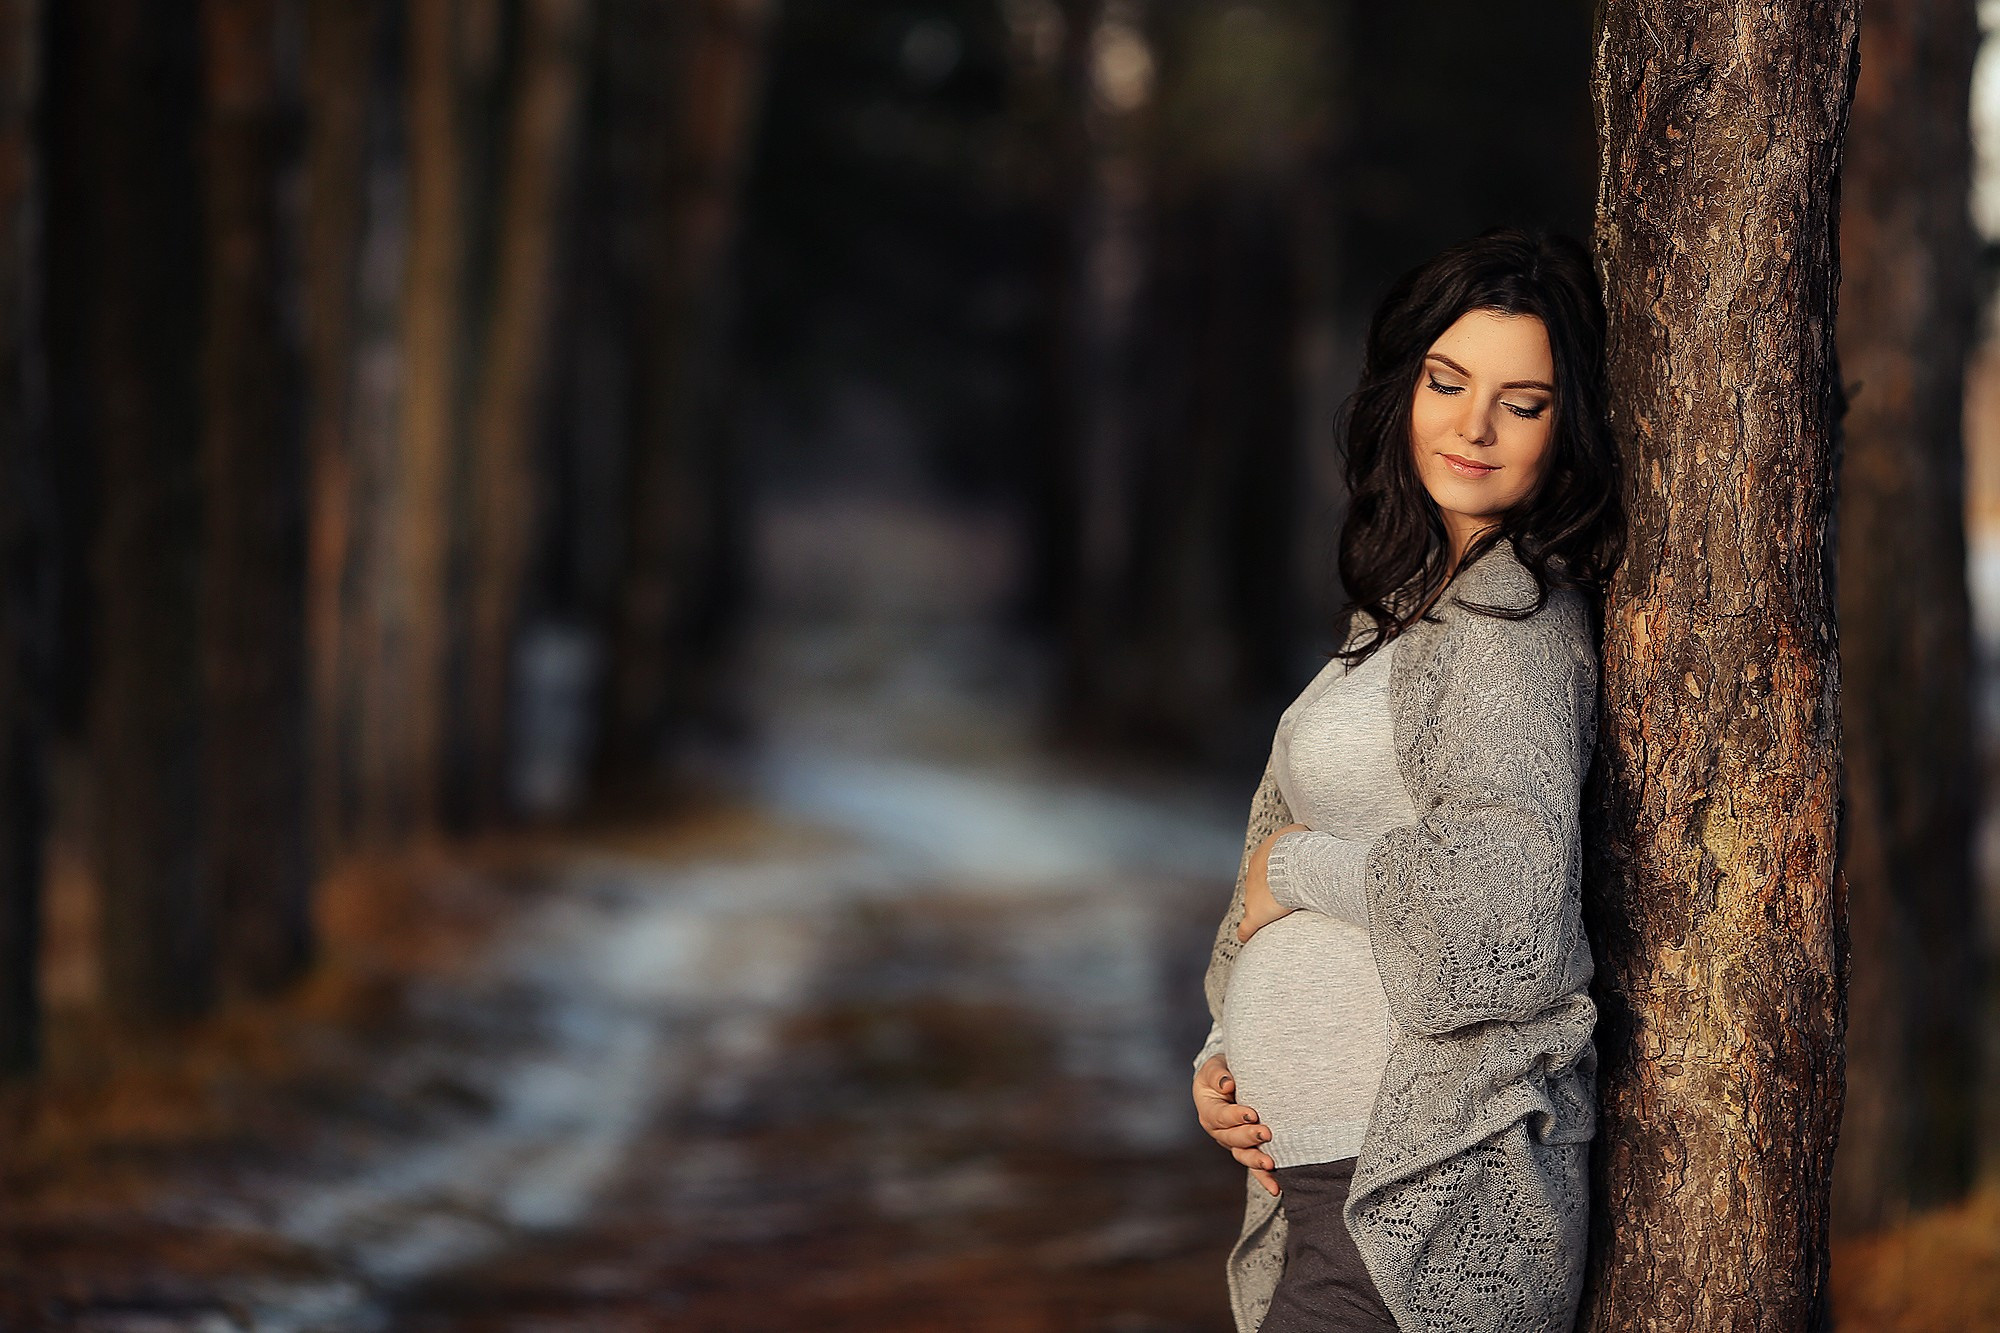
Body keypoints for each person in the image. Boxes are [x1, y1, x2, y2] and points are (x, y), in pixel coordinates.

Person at [1188, 226, 1627, 1333]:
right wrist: (1222, 1054)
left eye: (1519, 402)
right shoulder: (1403, 608)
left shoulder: (1508, 625)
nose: (1471, 427)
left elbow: (1506, 905)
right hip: (1332, 1191)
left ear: (1563, 429)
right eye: (1446, 381)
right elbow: (1277, 840)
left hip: (1422, 1195)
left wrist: (1300, 868)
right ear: (1405, 387)